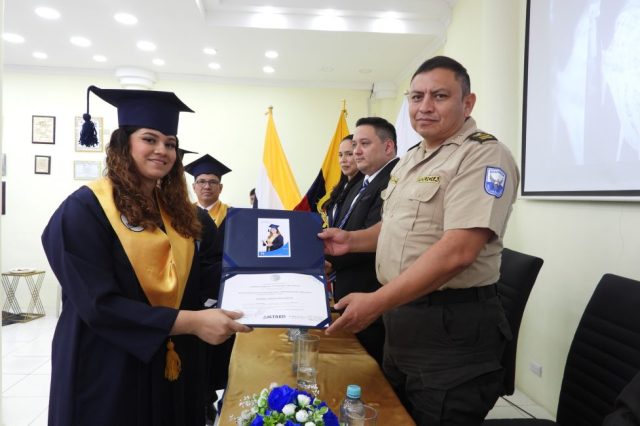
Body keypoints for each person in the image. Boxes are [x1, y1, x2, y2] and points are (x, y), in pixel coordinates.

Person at [318, 56, 519, 425]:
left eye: (439, 96)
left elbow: (459, 251)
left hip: (451, 334)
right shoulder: (413, 158)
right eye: (416, 97)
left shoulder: (483, 155)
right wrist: (350, 240)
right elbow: (398, 226)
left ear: (467, 103)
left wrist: (376, 302)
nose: (424, 106)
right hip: (403, 322)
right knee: (395, 416)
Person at [41, 85, 251, 426]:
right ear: (124, 143)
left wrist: (272, 268)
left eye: (170, 143)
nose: (162, 150)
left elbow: (199, 278)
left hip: (172, 362)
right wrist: (192, 322)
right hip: (109, 362)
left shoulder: (178, 213)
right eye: (149, 139)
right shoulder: (84, 209)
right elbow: (98, 305)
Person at [324, 119, 398, 365]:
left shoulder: (393, 181)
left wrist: (329, 261)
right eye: (354, 144)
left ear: (388, 147)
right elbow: (346, 229)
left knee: (371, 370)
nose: (356, 151)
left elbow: (380, 239)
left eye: (364, 144)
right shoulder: (362, 183)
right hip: (351, 290)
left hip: (371, 293)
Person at [322, 134, 364, 228]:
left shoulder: (365, 188)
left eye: (349, 154)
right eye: (340, 155)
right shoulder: (340, 188)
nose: (343, 160)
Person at [185, 154, 232, 229]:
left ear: (220, 188)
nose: (207, 187)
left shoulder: (232, 215)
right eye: (202, 181)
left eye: (213, 182)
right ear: (194, 187)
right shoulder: (185, 213)